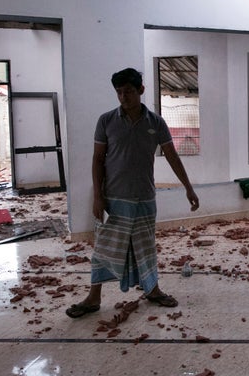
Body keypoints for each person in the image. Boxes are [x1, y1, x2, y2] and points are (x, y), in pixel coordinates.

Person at [66, 68, 199, 318]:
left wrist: (188, 188)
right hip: (114, 199)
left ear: (140, 90)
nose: (123, 96)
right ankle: (93, 298)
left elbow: (172, 156)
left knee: (145, 248)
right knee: (104, 249)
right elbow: (97, 159)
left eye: (128, 91)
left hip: (144, 198)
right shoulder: (106, 121)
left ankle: (153, 290)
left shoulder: (156, 123)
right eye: (119, 92)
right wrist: (98, 196)